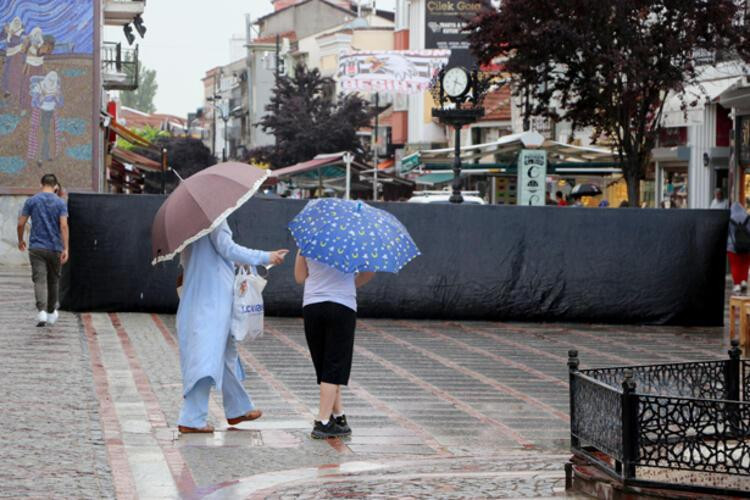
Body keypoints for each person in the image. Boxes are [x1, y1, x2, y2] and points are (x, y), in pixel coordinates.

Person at [176, 219, 288, 433]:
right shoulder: (213, 219)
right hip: (212, 300)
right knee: (206, 357)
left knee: (226, 353)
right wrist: (265, 257)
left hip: (204, 297)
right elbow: (227, 248)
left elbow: (212, 257)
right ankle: (191, 418)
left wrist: (237, 262)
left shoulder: (188, 224)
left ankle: (238, 407)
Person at [294, 251, 374, 439]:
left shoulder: (308, 241)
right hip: (342, 305)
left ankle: (338, 417)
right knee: (334, 364)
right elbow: (369, 273)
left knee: (324, 366)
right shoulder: (356, 243)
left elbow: (299, 277)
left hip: (313, 305)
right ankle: (322, 422)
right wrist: (349, 283)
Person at [16, 173, 68, 327]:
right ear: (56, 186)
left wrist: (20, 240)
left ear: (41, 184)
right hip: (55, 248)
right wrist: (66, 247)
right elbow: (63, 226)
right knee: (53, 280)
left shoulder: (31, 201)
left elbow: (21, 224)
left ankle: (42, 312)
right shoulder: (60, 203)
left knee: (39, 280)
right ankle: (51, 312)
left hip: (36, 248)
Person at [727, 202, 750, 293]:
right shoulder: (747, 218)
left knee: (735, 265)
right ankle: (744, 281)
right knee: (745, 264)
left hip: (732, 246)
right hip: (747, 245)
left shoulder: (730, 218)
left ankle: (737, 284)